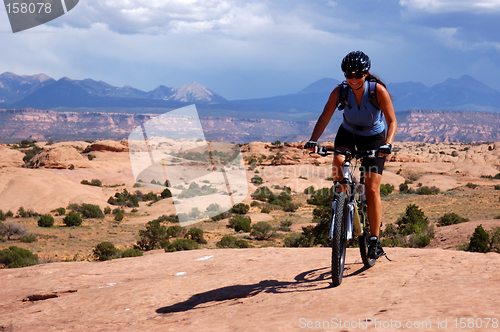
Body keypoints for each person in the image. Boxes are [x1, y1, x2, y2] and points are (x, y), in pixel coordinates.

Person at [304, 50, 397, 259]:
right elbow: (324, 116)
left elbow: (392, 121)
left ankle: (373, 239)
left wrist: (388, 144)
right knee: (338, 168)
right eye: (349, 75)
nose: (353, 79)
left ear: (366, 73)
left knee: (372, 190)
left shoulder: (377, 91)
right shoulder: (340, 91)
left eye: (358, 75)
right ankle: (348, 189)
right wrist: (313, 139)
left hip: (374, 138)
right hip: (348, 134)